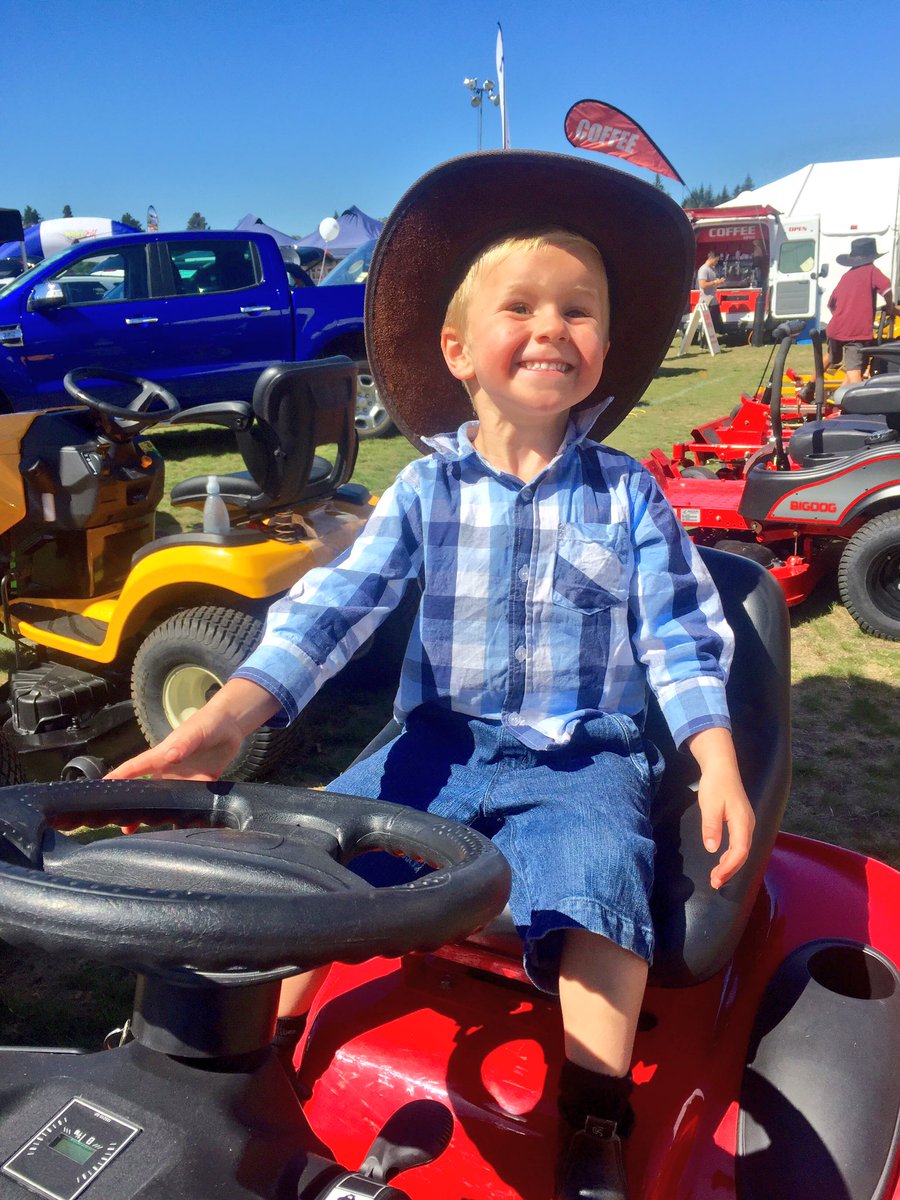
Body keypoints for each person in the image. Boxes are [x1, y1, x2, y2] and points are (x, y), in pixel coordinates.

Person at [108, 150, 754, 1200]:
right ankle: (251, 1059)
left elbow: (679, 633)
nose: (553, 328)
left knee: (598, 882)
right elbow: (336, 607)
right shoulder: (421, 492)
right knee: (300, 856)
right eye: (524, 307)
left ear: (606, 347)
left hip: (577, 757)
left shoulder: (628, 495)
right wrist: (231, 713)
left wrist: (714, 756)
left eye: (580, 311)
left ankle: (594, 1117)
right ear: (458, 348)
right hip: (434, 745)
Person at [824, 237, 895, 383]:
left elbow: (831, 303)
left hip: (836, 328)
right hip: (856, 332)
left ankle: (810, 387)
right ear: (872, 257)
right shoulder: (871, 271)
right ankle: (855, 402)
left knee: (832, 357)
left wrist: (843, 316)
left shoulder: (846, 276)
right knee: (855, 369)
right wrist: (890, 307)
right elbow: (886, 287)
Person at [696, 248, 726, 335]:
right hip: (706, 300)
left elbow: (712, 283)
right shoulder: (703, 269)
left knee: (716, 322)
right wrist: (715, 282)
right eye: (716, 260)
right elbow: (703, 285)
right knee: (707, 323)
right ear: (711, 258)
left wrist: (719, 282)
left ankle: (716, 337)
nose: (716, 263)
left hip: (713, 299)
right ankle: (704, 342)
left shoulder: (712, 269)